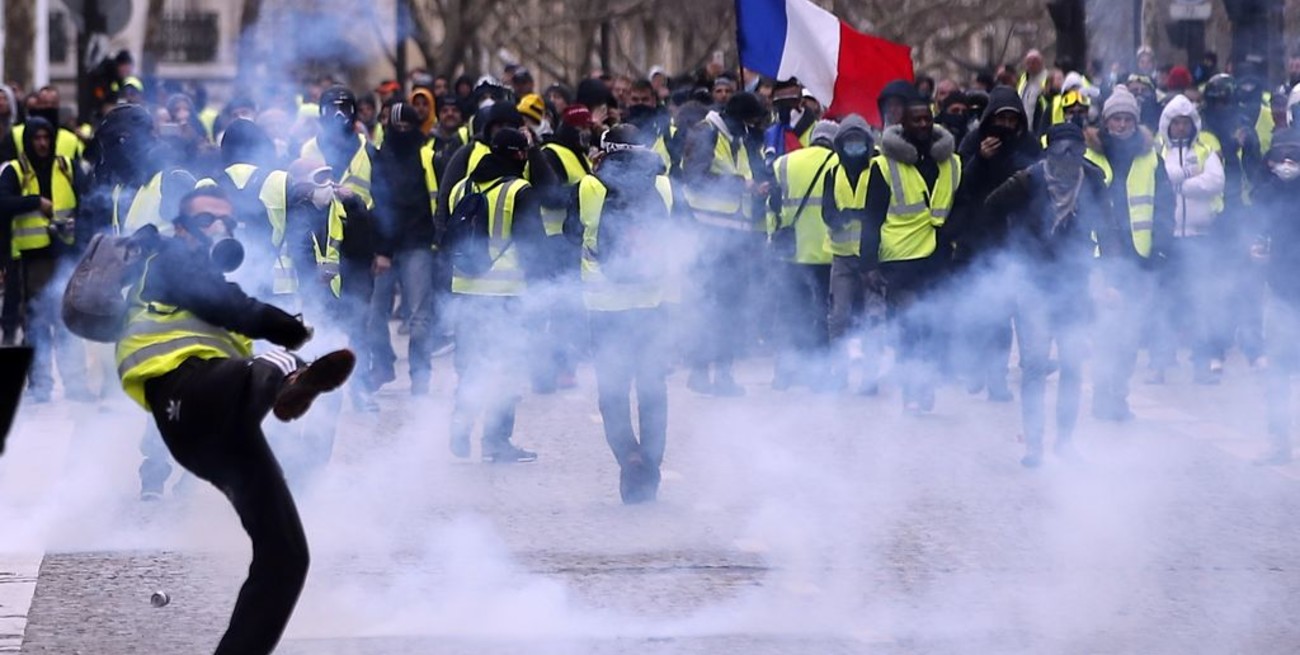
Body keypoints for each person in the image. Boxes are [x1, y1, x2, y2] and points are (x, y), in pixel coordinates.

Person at [116, 186, 354, 654]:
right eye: (207, 220)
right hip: (184, 398)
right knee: (268, 362)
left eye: (227, 220)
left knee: (286, 555)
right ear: (181, 228)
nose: (220, 228)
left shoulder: (197, 267)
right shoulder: (167, 256)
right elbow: (232, 307)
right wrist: (293, 329)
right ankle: (288, 382)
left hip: (225, 428)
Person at [985, 123, 1120, 467]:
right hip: (1034, 284)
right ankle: (1033, 446)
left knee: (1072, 366)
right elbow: (991, 207)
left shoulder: (1091, 181)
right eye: (1062, 152)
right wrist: (1015, 248)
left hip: (1074, 283)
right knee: (1034, 367)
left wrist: (1112, 278)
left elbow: (1108, 230)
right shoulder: (1028, 180)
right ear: (1049, 152)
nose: (1068, 160)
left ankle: (1065, 442)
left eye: (1075, 152)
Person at [575, 124, 675, 503]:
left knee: (613, 392)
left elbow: (572, 231)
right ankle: (651, 463)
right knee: (652, 389)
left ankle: (629, 457)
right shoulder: (663, 185)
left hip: (605, 306)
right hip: (651, 303)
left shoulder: (590, 186)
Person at [861, 88, 961, 414]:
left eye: (927, 118)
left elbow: (961, 206)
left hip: (938, 259)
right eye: (915, 118)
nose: (922, 123)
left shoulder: (951, 162)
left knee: (933, 325)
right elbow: (871, 217)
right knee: (905, 326)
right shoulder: (883, 166)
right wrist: (868, 264)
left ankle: (926, 381)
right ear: (902, 123)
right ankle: (909, 389)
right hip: (899, 259)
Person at [446, 128, 543, 463]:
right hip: (506, 292)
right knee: (506, 366)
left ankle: (461, 421)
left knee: (471, 363)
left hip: (465, 290)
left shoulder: (461, 187)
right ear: (517, 154)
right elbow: (535, 245)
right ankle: (496, 442)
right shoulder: (520, 190)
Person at [1085, 87, 1175, 421]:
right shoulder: (1089, 156)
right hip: (1102, 257)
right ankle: (1101, 395)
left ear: (1135, 122)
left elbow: (1165, 204)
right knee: (1107, 330)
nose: (1121, 124)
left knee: (1131, 332)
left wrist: (1162, 247)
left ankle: (1118, 395)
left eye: (1127, 119)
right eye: (1115, 119)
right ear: (1105, 122)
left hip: (1140, 255)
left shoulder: (1151, 157)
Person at [300, 86, 386, 411]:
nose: (338, 115)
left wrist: (381, 249)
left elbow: (383, 203)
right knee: (320, 321)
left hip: (358, 249)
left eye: (344, 108)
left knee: (358, 322)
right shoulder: (306, 149)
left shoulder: (369, 151)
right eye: (331, 108)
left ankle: (360, 389)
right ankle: (319, 390)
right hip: (319, 250)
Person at [953, 86, 1041, 402]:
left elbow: (1039, 186)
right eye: (1000, 118)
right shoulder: (973, 142)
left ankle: (1014, 375)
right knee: (987, 317)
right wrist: (980, 160)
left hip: (1021, 243)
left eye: (1011, 119)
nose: (1005, 126)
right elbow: (959, 184)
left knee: (1017, 316)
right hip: (982, 243)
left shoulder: (1029, 146)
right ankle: (986, 371)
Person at [680, 91, 769, 396]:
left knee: (730, 307)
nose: (750, 128)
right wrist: (740, 185)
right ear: (735, 118)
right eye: (748, 122)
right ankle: (703, 372)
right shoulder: (706, 134)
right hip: (706, 236)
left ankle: (722, 373)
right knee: (711, 308)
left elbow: (741, 174)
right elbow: (694, 177)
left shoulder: (738, 139)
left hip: (734, 237)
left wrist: (756, 185)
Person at [0, 117, 91, 403]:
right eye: (36, 138)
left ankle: (76, 383)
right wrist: (35, 202)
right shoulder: (15, 171)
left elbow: (88, 200)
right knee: (37, 323)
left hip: (64, 257)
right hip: (31, 260)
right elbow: (2, 202)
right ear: (28, 141)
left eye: (46, 138)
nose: (42, 143)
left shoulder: (66, 167)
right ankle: (40, 385)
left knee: (67, 322)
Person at [1150, 95, 1226, 384]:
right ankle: (1159, 363)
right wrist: (1185, 175)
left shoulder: (1206, 150)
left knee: (1200, 302)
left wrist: (1181, 187)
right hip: (1170, 239)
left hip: (1199, 238)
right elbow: (1161, 178)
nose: (1180, 128)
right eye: (1176, 123)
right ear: (1167, 126)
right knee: (1165, 304)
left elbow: (1215, 181)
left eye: (1185, 123)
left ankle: (1202, 364)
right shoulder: (1159, 152)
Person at [372, 103, 439, 395]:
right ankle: (384, 363)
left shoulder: (428, 158)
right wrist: (380, 249)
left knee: (420, 319)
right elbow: (377, 207)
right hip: (382, 249)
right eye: (395, 127)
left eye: (406, 127)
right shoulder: (376, 159)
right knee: (373, 315)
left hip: (418, 244)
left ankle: (420, 378)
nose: (401, 132)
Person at [768, 120, 838, 390]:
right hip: (827, 252)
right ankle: (818, 375)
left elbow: (772, 204)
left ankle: (784, 373)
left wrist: (773, 236)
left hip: (790, 251)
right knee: (822, 315)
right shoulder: (840, 164)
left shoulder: (785, 163)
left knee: (790, 313)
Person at [820, 115, 879, 393]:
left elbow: (879, 211)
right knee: (839, 316)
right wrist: (841, 218)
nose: (853, 147)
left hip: (874, 256)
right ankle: (838, 371)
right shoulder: (833, 172)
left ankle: (871, 376)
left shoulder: (878, 169)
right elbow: (827, 211)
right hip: (842, 254)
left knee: (873, 317)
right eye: (849, 141)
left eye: (858, 141)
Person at [1253, 128, 1300, 465]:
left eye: (1293, 157)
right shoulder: (1269, 190)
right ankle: (1279, 440)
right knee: (1279, 369)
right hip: (1282, 289)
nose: (1287, 163)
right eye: (1281, 156)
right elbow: (1258, 212)